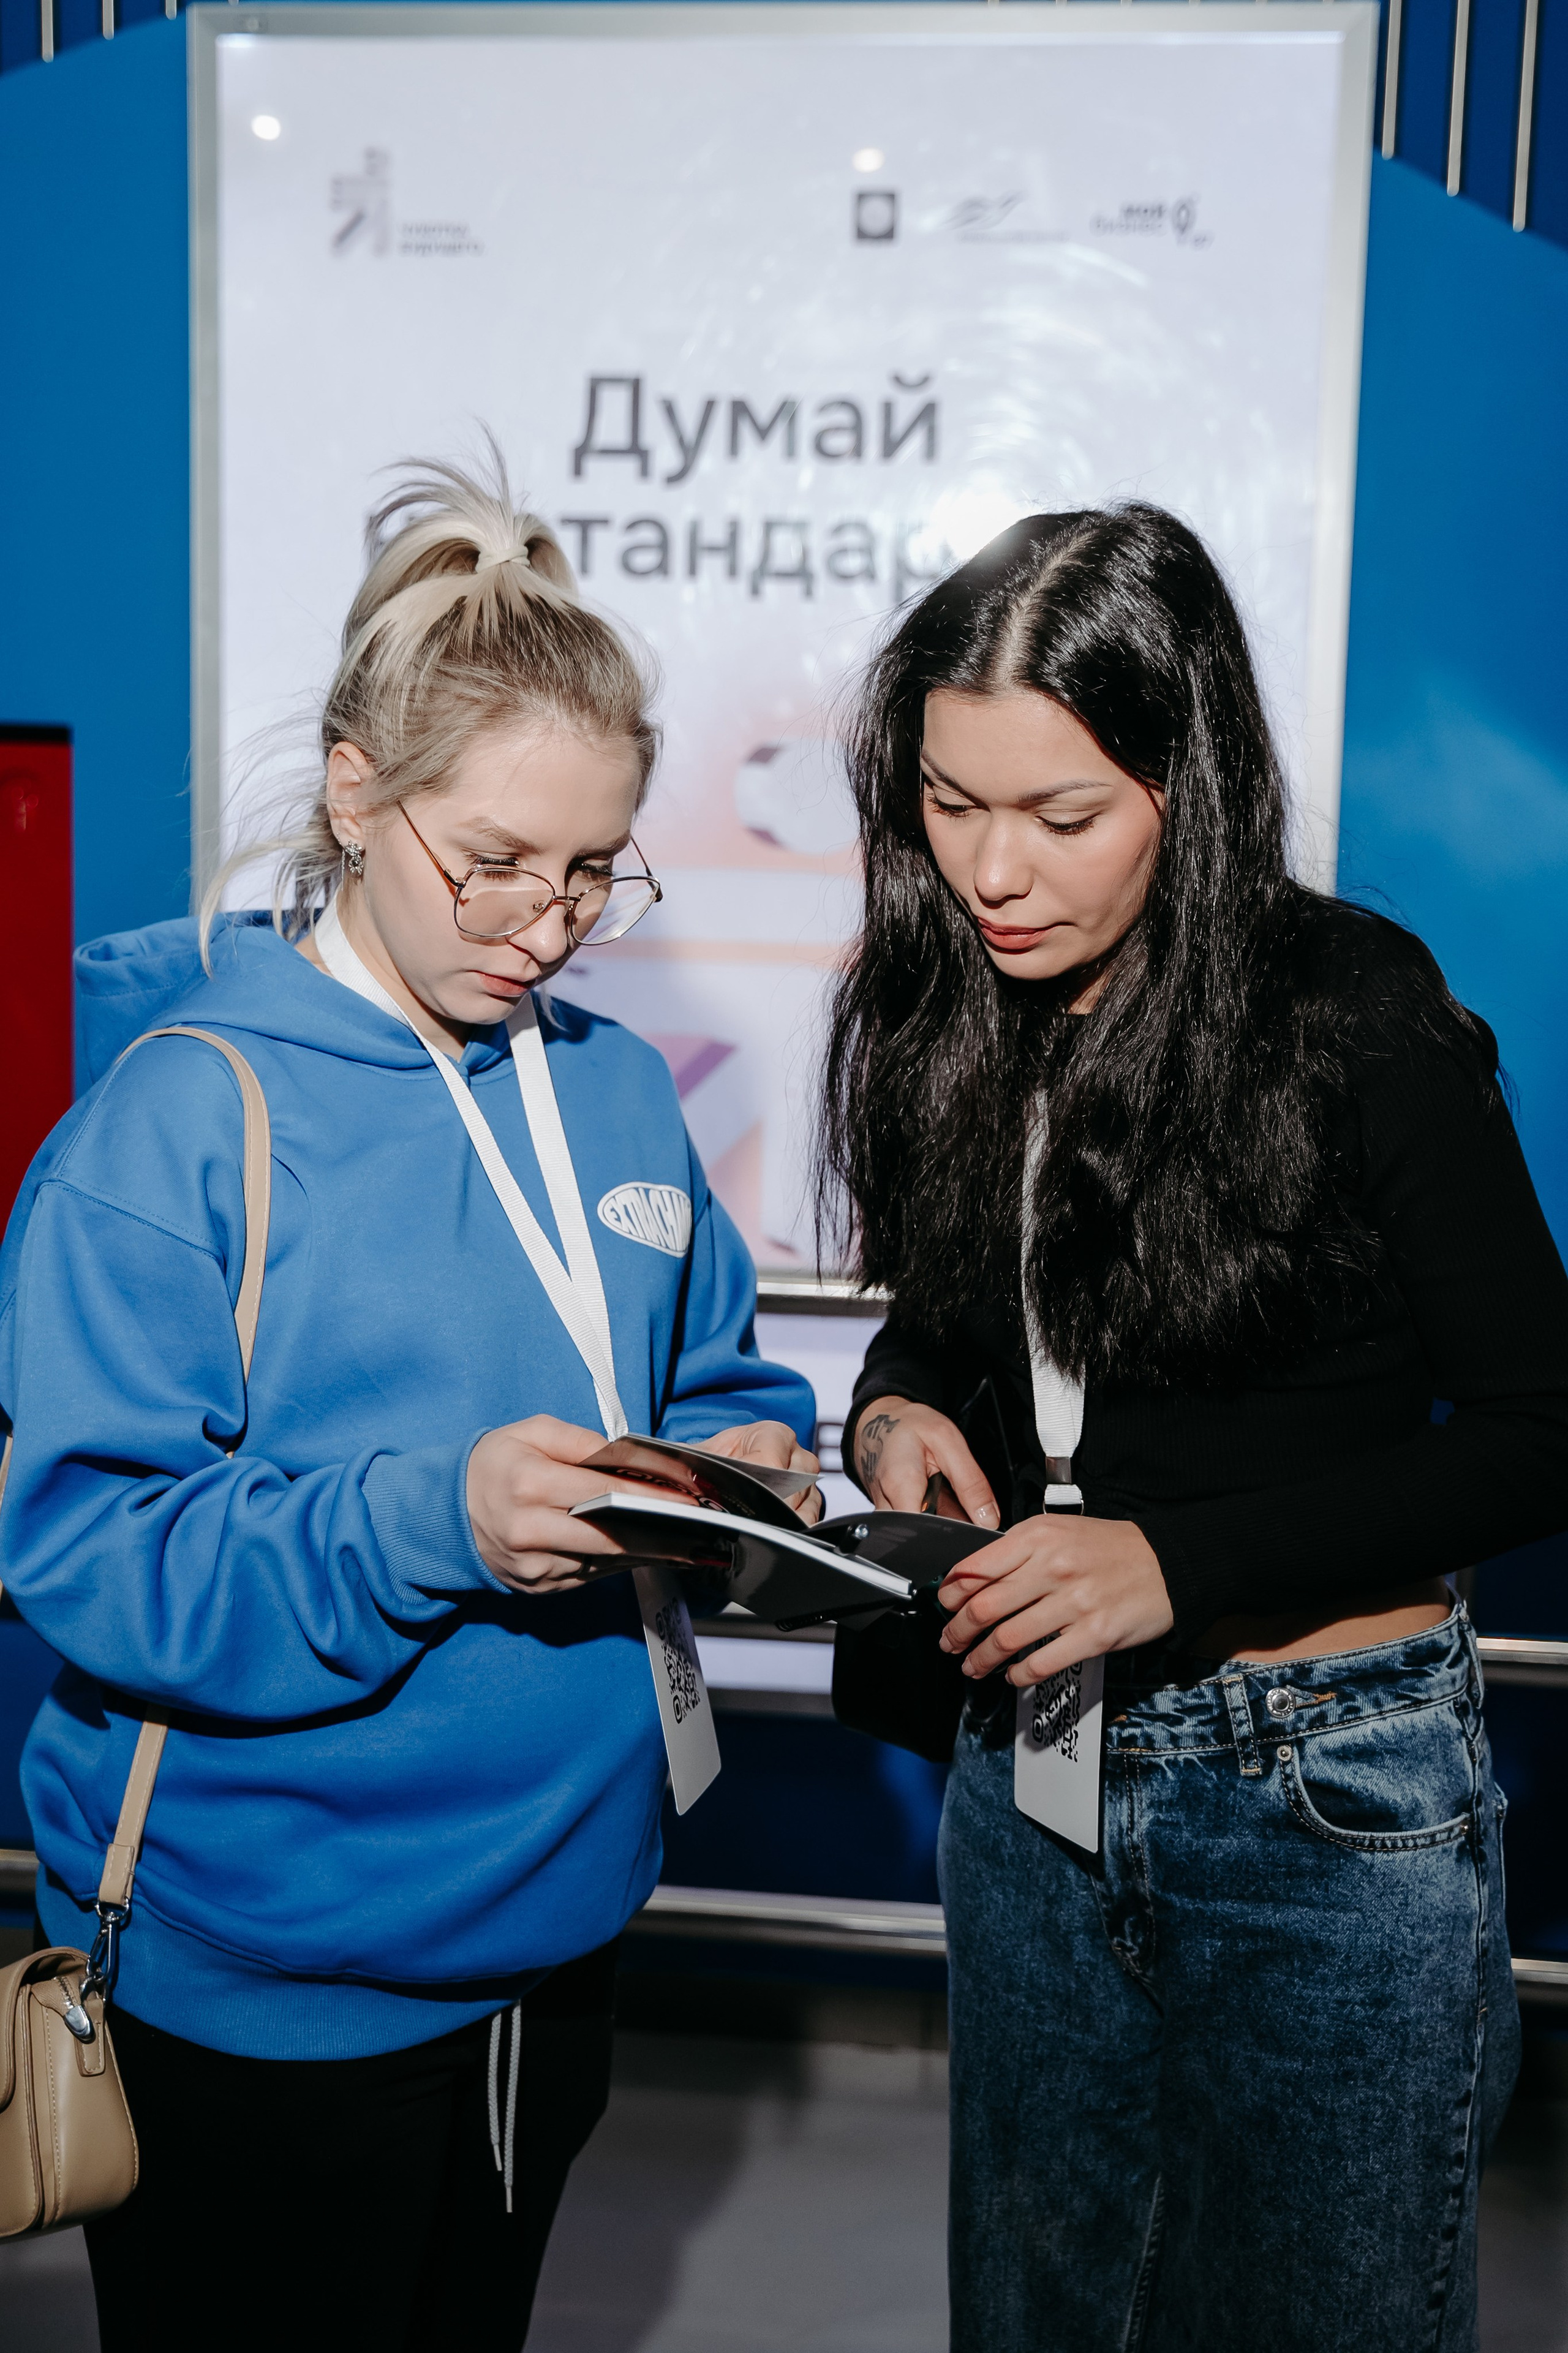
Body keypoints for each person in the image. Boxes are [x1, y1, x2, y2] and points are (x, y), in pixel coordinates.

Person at [0, 455, 816, 2350]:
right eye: (497, 859)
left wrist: (749, 1448)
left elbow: (711, 1357)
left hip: (564, 1938)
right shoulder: (179, 1121)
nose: (548, 921)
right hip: (268, 1978)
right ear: (357, 795)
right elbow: (99, 1557)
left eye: (596, 867)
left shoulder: (615, 1088)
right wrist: (432, 1519)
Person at [821, 505, 1568, 2352]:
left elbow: (1546, 1426)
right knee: (1039, 2314)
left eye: (1062, 817)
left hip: (1328, 1799)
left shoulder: (1357, 1011)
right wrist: (894, 1409)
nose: (994, 870)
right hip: (1032, 1778)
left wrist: (1175, 1561)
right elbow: (944, 1316)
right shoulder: (956, 1006)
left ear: (1191, 776)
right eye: (949, 802)